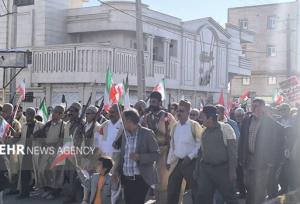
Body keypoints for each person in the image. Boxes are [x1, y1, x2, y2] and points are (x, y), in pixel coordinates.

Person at [239, 99, 284, 204]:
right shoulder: (247, 120)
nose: (253, 108)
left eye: (257, 106)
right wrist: (241, 157)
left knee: (259, 190)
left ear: (263, 108)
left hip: (262, 161)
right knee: (249, 187)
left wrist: (272, 160)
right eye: (252, 105)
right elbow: (242, 140)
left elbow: (278, 143)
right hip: (248, 160)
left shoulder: (271, 123)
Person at [193, 105, 238, 204]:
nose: (201, 119)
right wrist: (197, 170)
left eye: (203, 117)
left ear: (210, 118)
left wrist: (232, 171)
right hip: (206, 170)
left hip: (222, 171)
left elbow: (232, 152)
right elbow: (201, 152)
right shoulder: (204, 131)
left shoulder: (226, 129)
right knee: (203, 198)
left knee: (230, 198)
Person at [114, 109, 160, 204]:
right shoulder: (124, 135)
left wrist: (140, 157)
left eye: (123, 120)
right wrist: (117, 172)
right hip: (127, 181)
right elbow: (123, 156)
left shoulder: (147, 133)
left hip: (141, 180)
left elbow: (156, 155)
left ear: (129, 121)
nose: (121, 122)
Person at [142, 91, 176, 204]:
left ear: (160, 103)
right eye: (150, 102)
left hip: (165, 152)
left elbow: (174, 134)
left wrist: (171, 155)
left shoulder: (167, 117)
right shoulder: (146, 117)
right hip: (150, 154)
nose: (152, 104)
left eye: (154, 102)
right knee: (153, 183)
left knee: (164, 183)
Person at [167, 100, 203, 204]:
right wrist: (169, 161)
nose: (178, 113)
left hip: (191, 163)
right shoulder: (174, 126)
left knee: (195, 190)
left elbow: (200, 144)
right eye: (178, 110)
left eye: (182, 111)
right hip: (177, 162)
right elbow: (172, 145)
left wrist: (190, 157)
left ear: (188, 112)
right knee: (172, 189)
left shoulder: (194, 125)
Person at [33, 105, 66, 200]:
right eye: (53, 112)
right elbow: (39, 134)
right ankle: (46, 189)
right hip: (46, 150)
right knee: (42, 170)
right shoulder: (48, 124)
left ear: (60, 114)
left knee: (55, 172)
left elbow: (64, 139)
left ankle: (55, 192)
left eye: (56, 113)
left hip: (57, 150)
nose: (53, 114)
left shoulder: (63, 125)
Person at [16, 108, 44, 199]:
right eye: (26, 114)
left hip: (36, 153)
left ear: (33, 115)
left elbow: (44, 138)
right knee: (24, 173)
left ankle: (40, 191)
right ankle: (24, 193)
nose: (27, 116)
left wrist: (36, 137)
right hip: (25, 153)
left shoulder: (40, 126)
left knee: (37, 173)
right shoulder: (24, 126)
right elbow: (21, 138)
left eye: (29, 114)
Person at [2, 103, 22, 195]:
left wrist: (8, 138)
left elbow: (17, 137)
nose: (3, 113)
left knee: (13, 170)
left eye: (6, 111)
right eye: (3, 111)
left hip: (12, 150)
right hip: (2, 149)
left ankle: (14, 188)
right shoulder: (2, 122)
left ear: (11, 112)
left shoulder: (15, 123)